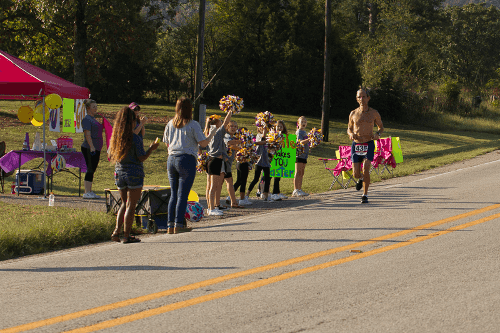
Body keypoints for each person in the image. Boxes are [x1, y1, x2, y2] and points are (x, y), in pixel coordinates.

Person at [163, 97, 216, 232]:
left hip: (171, 158)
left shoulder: (170, 123)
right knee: (182, 194)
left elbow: (166, 142)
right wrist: (212, 134)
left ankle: (170, 224)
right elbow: (203, 144)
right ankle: (179, 224)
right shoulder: (193, 124)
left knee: (174, 194)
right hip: (186, 159)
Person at [109, 106, 159, 243]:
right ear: (131, 122)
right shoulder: (135, 138)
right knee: (131, 205)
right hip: (134, 173)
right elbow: (141, 157)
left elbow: (109, 154)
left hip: (119, 172)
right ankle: (126, 235)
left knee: (124, 204)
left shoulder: (116, 138)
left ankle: (116, 232)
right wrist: (151, 148)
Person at [347, 88, 384, 204]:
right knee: (356, 174)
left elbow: (381, 127)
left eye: (363, 96)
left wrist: (377, 134)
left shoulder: (374, 113)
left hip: (368, 143)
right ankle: (361, 178)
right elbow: (349, 128)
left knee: (366, 168)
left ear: (368, 98)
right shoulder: (353, 113)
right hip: (356, 144)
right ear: (357, 99)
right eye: (359, 97)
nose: (361, 99)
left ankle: (365, 195)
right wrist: (351, 134)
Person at [205, 111, 234, 216]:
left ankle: (210, 207)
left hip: (210, 160)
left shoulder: (209, 132)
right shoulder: (217, 132)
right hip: (216, 161)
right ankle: (212, 209)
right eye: (220, 122)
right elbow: (227, 121)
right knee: (213, 186)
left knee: (209, 186)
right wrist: (230, 111)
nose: (222, 123)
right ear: (216, 124)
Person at [81, 99, 104, 199]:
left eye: (96, 107)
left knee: (93, 169)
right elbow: (87, 134)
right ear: (88, 108)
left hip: (96, 147)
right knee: (90, 169)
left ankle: (90, 191)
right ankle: (86, 192)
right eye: (93, 107)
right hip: (89, 148)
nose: (96, 109)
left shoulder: (94, 119)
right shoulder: (87, 119)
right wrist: (92, 147)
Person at [247, 124, 273, 202]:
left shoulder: (270, 136)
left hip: (267, 162)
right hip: (259, 161)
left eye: (265, 128)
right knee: (256, 179)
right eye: (262, 127)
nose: (264, 129)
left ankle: (266, 195)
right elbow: (260, 142)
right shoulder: (258, 135)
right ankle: (247, 194)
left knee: (267, 179)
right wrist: (264, 136)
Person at [223, 120, 244, 208]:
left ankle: (230, 202)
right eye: (232, 126)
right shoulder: (226, 136)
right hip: (224, 162)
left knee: (225, 182)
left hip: (229, 163)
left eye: (235, 126)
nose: (234, 128)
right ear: (227, 127)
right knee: (229, 181)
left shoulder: (234, 138)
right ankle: (233, 202)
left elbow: (234, 150)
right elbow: (229, 144)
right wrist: (242, 143)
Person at [233, 127, 252, 206]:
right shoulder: (244, 143)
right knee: (243, 181)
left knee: (239, 180)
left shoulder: (237, 141)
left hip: (238, 163)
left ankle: (229, 196)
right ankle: (242, 199)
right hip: (243, 162)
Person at [292, 116, 311, 197]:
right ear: (298, 123)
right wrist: (309, 139)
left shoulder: (305, 132)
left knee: (302, 173)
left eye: (305, 122)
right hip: (299, 154)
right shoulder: (299, 132)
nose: (303, 123)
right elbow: (300, 142)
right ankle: (295, 190)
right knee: (298, 172)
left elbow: (307, 143)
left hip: (304, 155)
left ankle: (299, 189)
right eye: (302, 122)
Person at [270, 120, 288, 200]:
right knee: (273, 176)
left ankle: (277, 192)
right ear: (275, 127)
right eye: (278, 126)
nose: (279, 128)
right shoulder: (272, 136)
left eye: (281, 126)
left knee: (278, 176)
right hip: (273, 158)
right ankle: (272, 193)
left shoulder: (285, 137)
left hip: (281, 158)